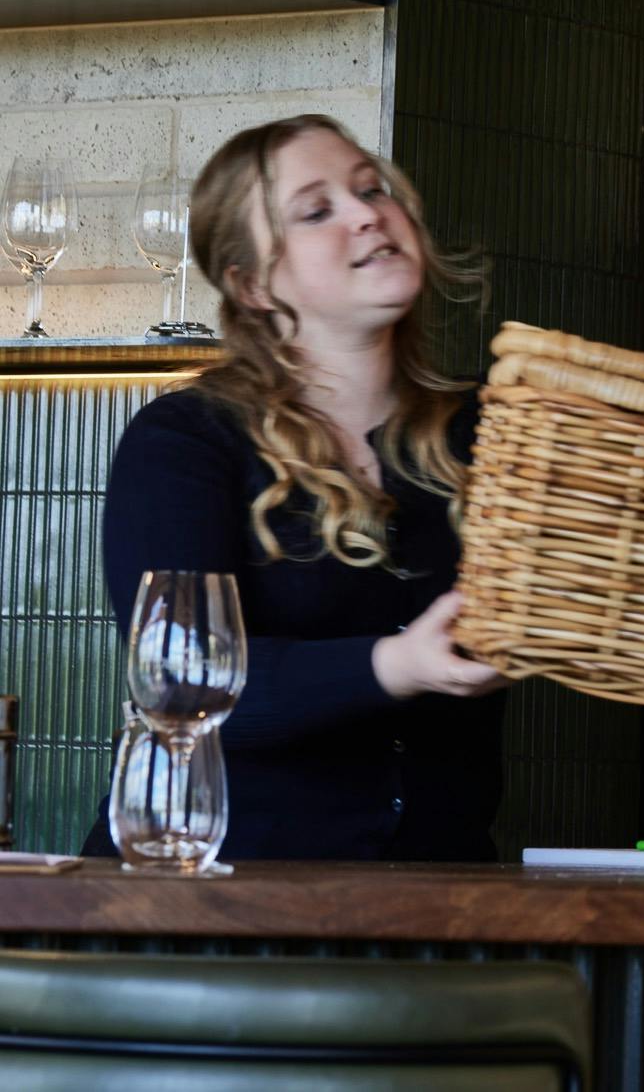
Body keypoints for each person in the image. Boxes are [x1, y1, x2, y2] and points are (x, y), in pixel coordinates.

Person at [83, 115, 509, 862]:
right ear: (252, 284)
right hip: (206, 914)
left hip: (439, 909)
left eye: (373, 190)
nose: (368, 214)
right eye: (317, 211)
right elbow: (183, 687)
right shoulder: (187, 441)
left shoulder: (492, 432)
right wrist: (397, 665)